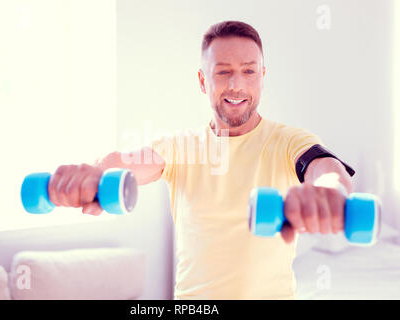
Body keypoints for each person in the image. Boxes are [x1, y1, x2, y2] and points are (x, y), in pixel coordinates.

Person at [47, 21, 355, 299]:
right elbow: (128, 162)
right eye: (223, 72)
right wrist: (97, 173)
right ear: (202, 80)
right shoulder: (181, 147)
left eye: (249, 71)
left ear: (262, 76)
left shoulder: (288, 140)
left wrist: (329, 191)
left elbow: (324, 167)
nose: (236, 84)